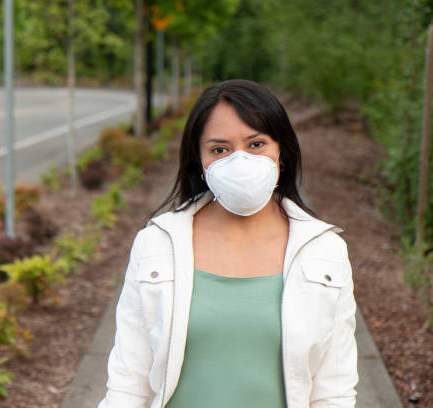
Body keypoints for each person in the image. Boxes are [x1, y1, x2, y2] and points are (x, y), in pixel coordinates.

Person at [97, 79, 358, 408]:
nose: (240, 161)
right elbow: (127, 382)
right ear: (201, 163)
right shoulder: (155, 244)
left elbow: (333, 390)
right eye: (220, 149)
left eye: (256, 144)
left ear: (282, 153)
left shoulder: (325, 251)